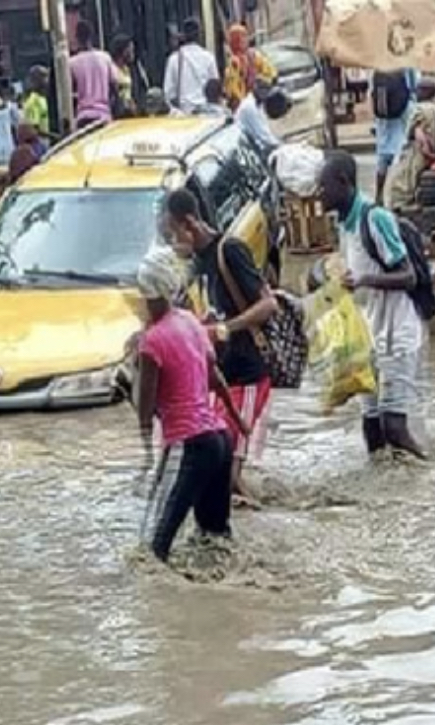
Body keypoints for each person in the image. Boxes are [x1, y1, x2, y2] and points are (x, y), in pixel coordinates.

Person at [163, 188, 278, 505]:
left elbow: (268, 304)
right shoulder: (196, 264)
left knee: (223, 475)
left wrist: (226, 328)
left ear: (189, 224)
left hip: (248, 373)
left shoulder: (230, 251)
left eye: (173, 233)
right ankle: (259, 510)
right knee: (215, 470)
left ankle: (265, 523)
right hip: (220, 379)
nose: (173, 243)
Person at [134, 246, 248, 563]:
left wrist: (145, 452)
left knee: (154, 548)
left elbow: (145, 409)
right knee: (215, 536)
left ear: (147, 294)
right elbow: (215, 377)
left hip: (190, 445)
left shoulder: (151, 341)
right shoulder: (190, 321)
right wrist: (238, 419)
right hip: (220, 438)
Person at [319, 150, 427, 459]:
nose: (319, 194)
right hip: (369, 338)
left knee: (394, 427)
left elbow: (408, 276)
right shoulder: (345, 225)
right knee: (371, 427)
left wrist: (364, 279)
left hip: (397, 336)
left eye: (324, 187)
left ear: (343, 182)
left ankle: (434, 472)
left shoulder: (375, 218)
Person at [387, 75, 435, 211]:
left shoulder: (419, 111)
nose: (416, 93)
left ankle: (403, 209)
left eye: (418, 90)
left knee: (397, 187)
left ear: (424, 91)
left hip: (421, 157)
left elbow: (419, 137)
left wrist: (428, 153)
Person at [372, 68, 416, 205]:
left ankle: (379, 195)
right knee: (403, 160)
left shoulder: (377, 67)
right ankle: (400, 198)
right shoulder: (405, 65)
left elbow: (373, 94)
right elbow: (414, 86)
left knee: (382, 161)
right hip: (402, 118)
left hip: (383, 123)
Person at [164, 17, 219, 114]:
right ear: (199, 35)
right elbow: (214, 87)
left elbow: (168, 93)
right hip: (206, 113)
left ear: (183, 36)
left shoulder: (173, 60)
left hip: (184, 115)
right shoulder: (209, 57)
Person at [70, 19, 114, 129]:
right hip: (104, 116)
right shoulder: (105, 58)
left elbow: (71, 92)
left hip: (83, 117)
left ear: (77, 38)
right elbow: (114, 85)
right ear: (92, 36)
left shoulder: (72, 63)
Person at [223, 23, 276, 110]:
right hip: (258, 105)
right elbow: (272, 74)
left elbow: (232, 92)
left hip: (243, 109)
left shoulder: (233, 63)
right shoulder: (255, 56)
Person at [236, 81, 291, 157]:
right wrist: (284, 147)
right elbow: (265, 138)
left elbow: (266, 133)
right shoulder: (249, 107)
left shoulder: (258, 105)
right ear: (256, 88)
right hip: (246, 151)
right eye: (264, 89)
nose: (266, 93)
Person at [110, 32, 148, 117]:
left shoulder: (128, 70)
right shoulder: (112, 70)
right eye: (131, 50)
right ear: (123, 51)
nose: (133, 54)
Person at [23, 65, 52, 141]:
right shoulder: (33, 101)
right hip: (40, 144)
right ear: (37, 79)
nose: (47, 80)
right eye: (44, 77)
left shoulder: (42, 98)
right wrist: (56, 137)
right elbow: (35, 129)